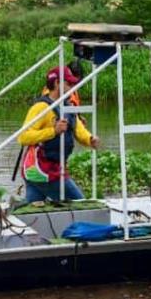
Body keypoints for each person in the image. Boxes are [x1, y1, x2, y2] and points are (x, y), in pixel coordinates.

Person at [19, 66, 99, 203]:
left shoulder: (69, 107)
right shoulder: (41, 108)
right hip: (42, 169)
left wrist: (90, 139)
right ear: (57, 83)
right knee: (79, 203)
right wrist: (53, 131)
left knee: (33, 211)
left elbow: (78, 130)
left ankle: (18, 213)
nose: (72, 88)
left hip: (43, 170)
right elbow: (23, 137)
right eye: (68, 84)